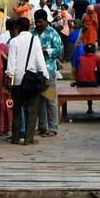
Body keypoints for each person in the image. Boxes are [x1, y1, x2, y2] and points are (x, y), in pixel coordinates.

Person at [5, 18, 47, 145]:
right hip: (31, 80)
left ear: (17, 27)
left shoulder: (14, 41)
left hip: (17, 80)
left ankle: (15, 137)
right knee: (32, 111)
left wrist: (9, 77)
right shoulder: (35, 40)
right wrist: (44, 74)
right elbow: (40, 60)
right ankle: (29, 139)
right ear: (29, 26)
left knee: (17, 110)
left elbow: (11, 63)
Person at [33, 9, 62, 137]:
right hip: (35, 72)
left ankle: (53, 128)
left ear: (45, 21)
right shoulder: (32, 33)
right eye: (36, 22)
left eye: (40, 22)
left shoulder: (53, 33)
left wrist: (45, 51)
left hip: (48, 71)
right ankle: (42, 126)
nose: (38, 24)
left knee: (50, 99)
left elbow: (58, 50)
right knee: (39, 100)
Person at [73, 39, 100, 116]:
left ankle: (89, 108)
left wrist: (76, 80)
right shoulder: (97, 58)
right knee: (96, 76)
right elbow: (99, 71)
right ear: (94, 51)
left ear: (84, 50)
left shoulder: (80, 58)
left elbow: (77, 70)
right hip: (91, 83)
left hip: (80, 82)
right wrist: (98, 82)